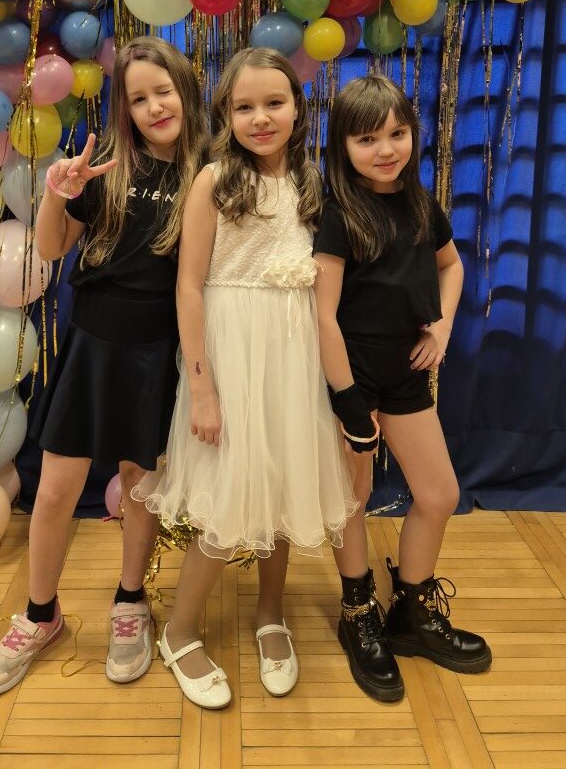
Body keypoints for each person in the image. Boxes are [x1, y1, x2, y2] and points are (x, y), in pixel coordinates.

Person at [0, 38, 208, 696]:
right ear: (123, 109)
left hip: (158, 350)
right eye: (138, 98)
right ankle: (39, 613)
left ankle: (131, 600)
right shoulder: (105, 164)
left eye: (163, 91)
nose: (154, 106)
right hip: (92, 343)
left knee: (139, 483)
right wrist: (57, 193)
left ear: (185, 92)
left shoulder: (208, 174)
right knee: (54, 490)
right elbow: (51, 248)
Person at [135, 47, 357, 709]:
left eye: (274, 103)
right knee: (229, 491)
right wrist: (202, 387)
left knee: (280, 483)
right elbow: (189, 286)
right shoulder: (213, 182)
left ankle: (270, 612)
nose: (260, 118)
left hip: (292, 354)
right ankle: (179, 629)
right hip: (230, 353)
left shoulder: (312, 183)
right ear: (225, 115)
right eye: (244, 107)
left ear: (298, 108)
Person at [313, 73, 491, 704]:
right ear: (342, 145)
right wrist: (347, 401)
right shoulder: (337, 215)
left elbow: (452, 265)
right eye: (367, 139)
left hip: (407, 374)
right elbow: (322, 314)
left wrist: (441, 327)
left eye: (397, 134)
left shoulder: (420, 204)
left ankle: (411, 613)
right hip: (354, 377)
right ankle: (358, 613)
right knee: (352, 499)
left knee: (439, 494)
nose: (386, 149)